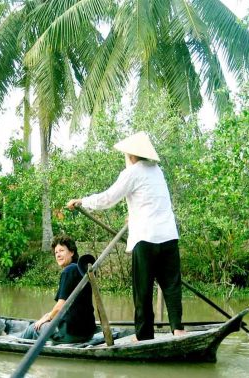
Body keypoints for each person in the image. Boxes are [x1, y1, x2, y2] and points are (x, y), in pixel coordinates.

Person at [66, 131, 186, 341]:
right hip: (168, 236)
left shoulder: (132, 173)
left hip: (146, 239)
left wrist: (82, 201)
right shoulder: (157, 171)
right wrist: (134, 217)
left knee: (143, 290)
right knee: (171, 285)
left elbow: (108, 198)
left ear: (131, 155)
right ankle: (178, 329)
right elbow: (152, 201)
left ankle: (143, 336)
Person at [17, 234, 96, 343]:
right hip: (88, 333)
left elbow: (60, 306)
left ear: (72, 252)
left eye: (62, 251)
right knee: (44, 320)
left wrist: (48, 317)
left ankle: (12, 342)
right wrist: (50, 315)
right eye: (56, 252)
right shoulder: (81, 271)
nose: (58, 255)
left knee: (34, 328)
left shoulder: (68, 271)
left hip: (71, 333)